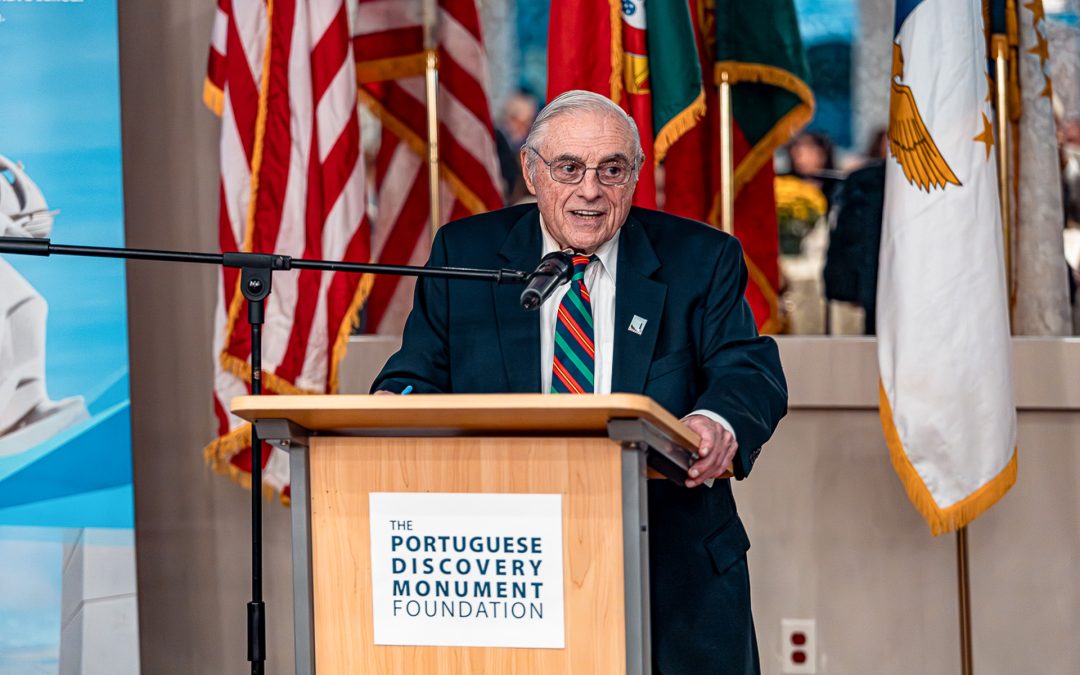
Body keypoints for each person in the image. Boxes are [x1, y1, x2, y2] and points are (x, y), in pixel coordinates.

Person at [371, 90, 787, 674]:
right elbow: (414, 374)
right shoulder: (465, 253)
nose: (590, 190)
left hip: (672, 571)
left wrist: (715, 423)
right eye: (569, 168)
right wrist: (396, 404)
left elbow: (749, 369)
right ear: (532, 172)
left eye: (611, 170)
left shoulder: (702, 257)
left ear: (636, 175)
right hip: (505, 571)